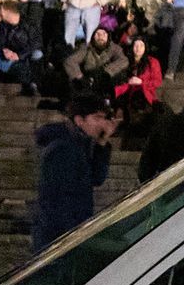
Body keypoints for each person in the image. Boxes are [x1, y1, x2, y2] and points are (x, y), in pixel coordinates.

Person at [29, 100, 118, 245]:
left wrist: (102, 143)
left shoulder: (82, 144)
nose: (102, 124)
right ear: (79, 120)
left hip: (72, 228)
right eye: (96, 118)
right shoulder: (62, 148)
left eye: (103, 118)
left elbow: (97, 178)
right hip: (58, 233)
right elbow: (60, 197)